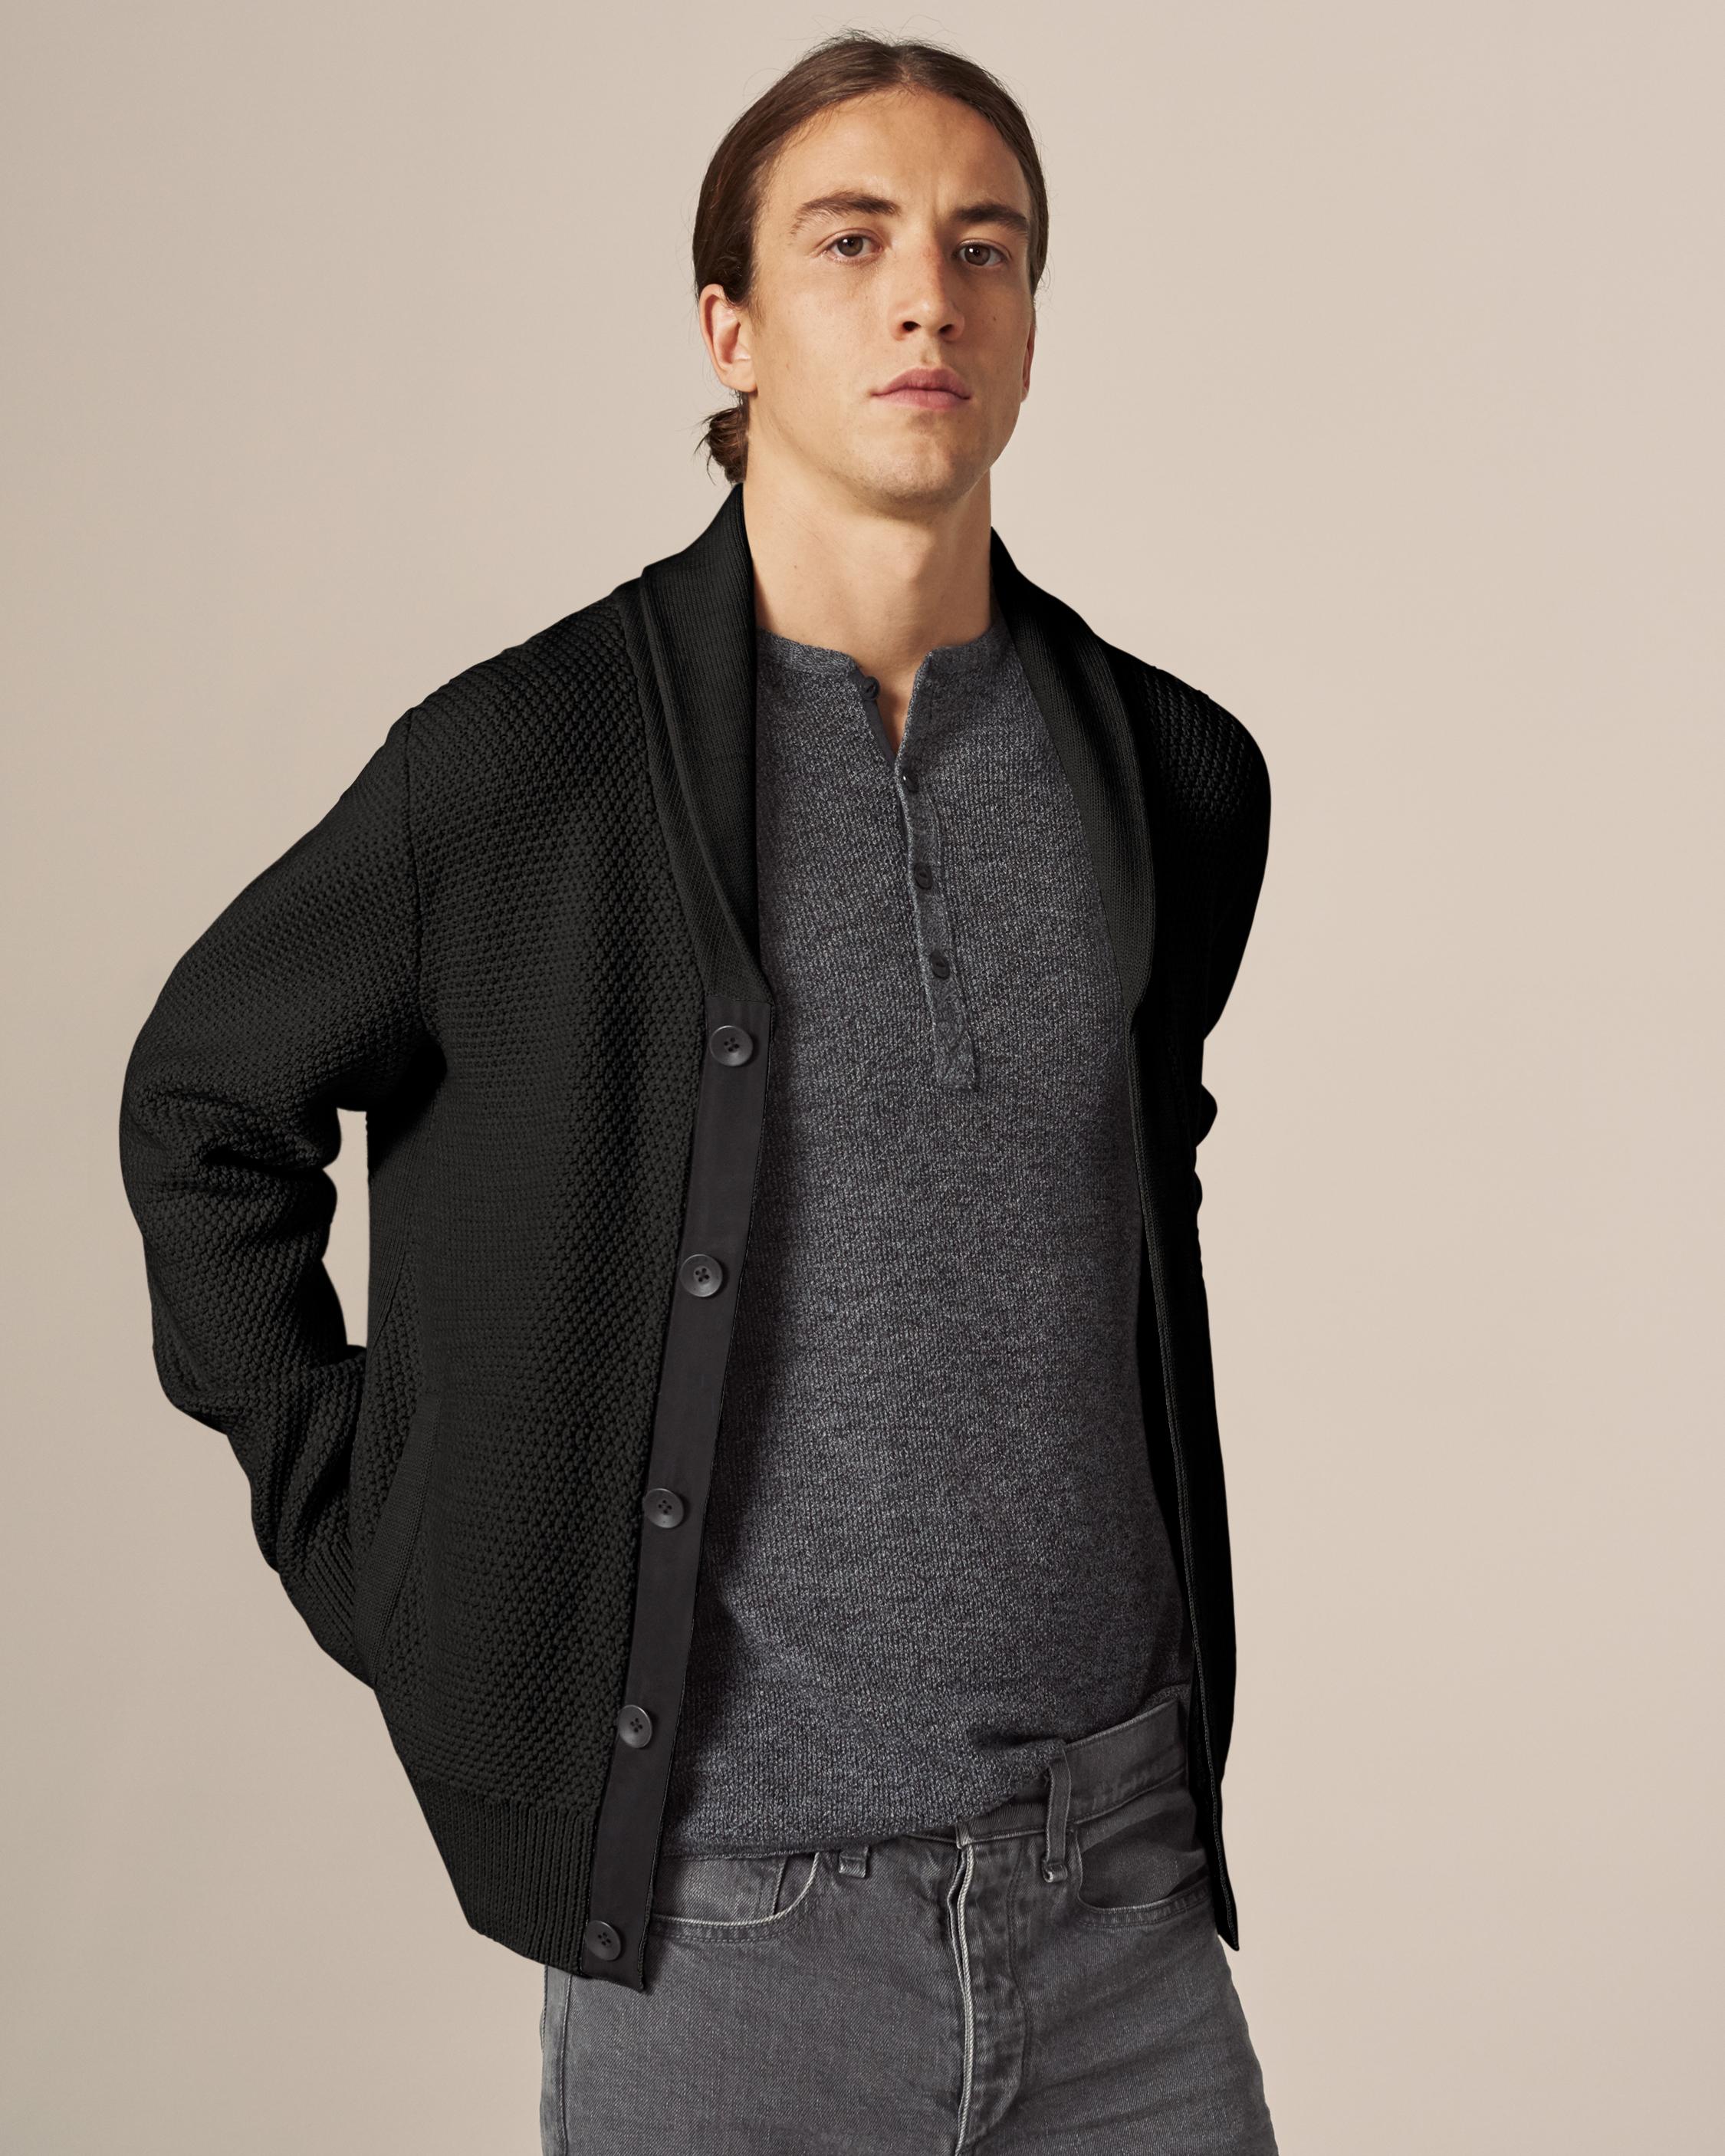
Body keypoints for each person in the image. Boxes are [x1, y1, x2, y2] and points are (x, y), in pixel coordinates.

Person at [119, 31, 1278, 2155]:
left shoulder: (1171, 776)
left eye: (986, 247)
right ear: (729, 328)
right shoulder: (530, 766)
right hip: (731, 1928)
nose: (929, 295)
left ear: (1031, 323)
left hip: (1119, 1897)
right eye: (853, 241)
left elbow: (1128, 1219)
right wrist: (370, 1524)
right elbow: (207, 1102)